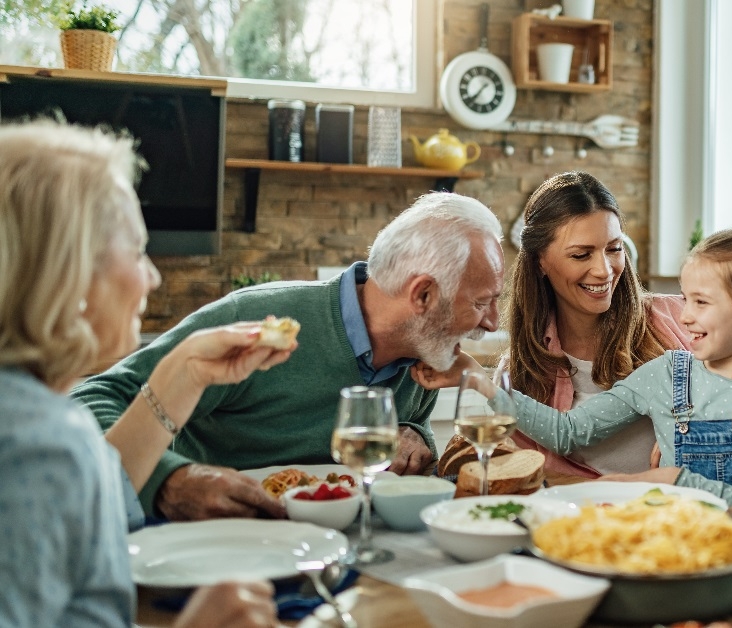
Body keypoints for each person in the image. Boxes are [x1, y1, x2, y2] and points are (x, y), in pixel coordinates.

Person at [0, 120, 286, 626]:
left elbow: (97, 504)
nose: (151, 275)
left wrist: (185, 372)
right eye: (136, 250)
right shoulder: (37, 443)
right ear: (69, 272)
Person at [73, 191, 504, 521]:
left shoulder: (426, 353)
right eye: (484, 302)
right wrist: (169, 479)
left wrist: (416, 438)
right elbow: (91, 401)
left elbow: (409, 448)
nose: (492, 323)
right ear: (423, 294)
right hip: (206, 543)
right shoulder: (257, 319)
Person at [417, 228, 732, 514]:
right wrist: (478, 380)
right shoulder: (668, 374)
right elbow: (568, 432)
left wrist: (675, 479)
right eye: (685, 299)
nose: (685, 316)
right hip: (662, 545)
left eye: (702, 303)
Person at [501, 171, 691, 478]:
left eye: (614, 249)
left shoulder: (681, 319)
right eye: (581, 254)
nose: (604, 270)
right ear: (540, 262)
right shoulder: (520, 374)